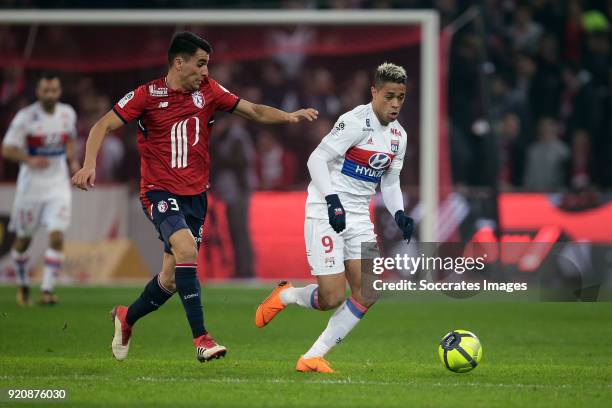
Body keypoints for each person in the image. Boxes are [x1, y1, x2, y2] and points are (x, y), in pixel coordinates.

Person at [72, 32, 318, 363]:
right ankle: (202, 338)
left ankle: (125, 318)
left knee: (172, 279)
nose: (205, 72)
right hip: (158, 191)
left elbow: (254, 111)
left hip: (196, 196)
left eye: (207, 65)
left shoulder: (210, 92)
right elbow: (102, 125)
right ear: (179, 62)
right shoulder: (147, 95)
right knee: (187, 249)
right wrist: (89, 164)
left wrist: (288, 116)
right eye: (200, 64)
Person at [255, 62, 414, 373]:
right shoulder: (354, 122)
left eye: (401, 97)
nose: (395, 104)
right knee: (330, 297)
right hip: (326, 210)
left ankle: (312, 356)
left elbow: (390, 180)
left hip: (359, 218)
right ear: (374, 93)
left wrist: (399, 212)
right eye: (389, 96)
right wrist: (332, 202)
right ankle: (286, 295)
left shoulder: (399, 137)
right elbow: (317, 159)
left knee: (368, 291)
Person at [1, 73, 80, 307]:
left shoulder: (67, 113)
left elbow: (70, 138)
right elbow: (6, 149)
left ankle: (47, 290)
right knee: (23, 239)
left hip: (57, 185)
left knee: (57, 236)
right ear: (38, 92)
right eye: (46, 91)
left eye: (54, 90)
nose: (50, 95)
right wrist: (28, 159)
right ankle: (23, 283)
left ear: (59, 91)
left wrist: (72, 161)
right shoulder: (25, 118)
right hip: (31, 189)